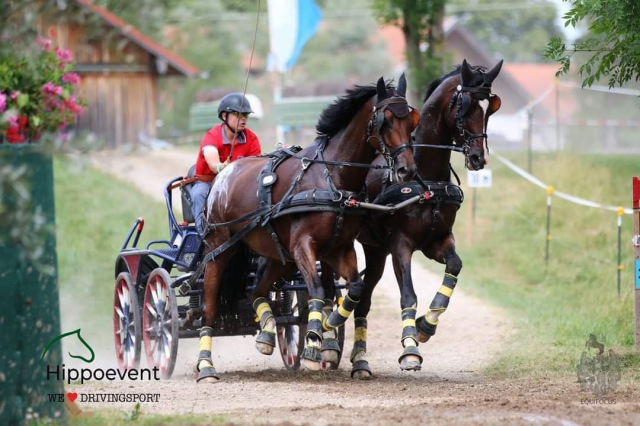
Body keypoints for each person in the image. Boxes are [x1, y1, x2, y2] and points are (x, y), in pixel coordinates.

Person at [192, 93, 262, 234]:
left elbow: (257, 167)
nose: (243, 119)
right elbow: (212, 161)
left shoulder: (252, 139)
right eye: (238, 114)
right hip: (209, 183)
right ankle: (204, 234)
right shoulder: (212, 136)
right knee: (198, 194)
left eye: (246, 115)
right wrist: (221, 167)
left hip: (237, 186)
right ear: (224, 116)